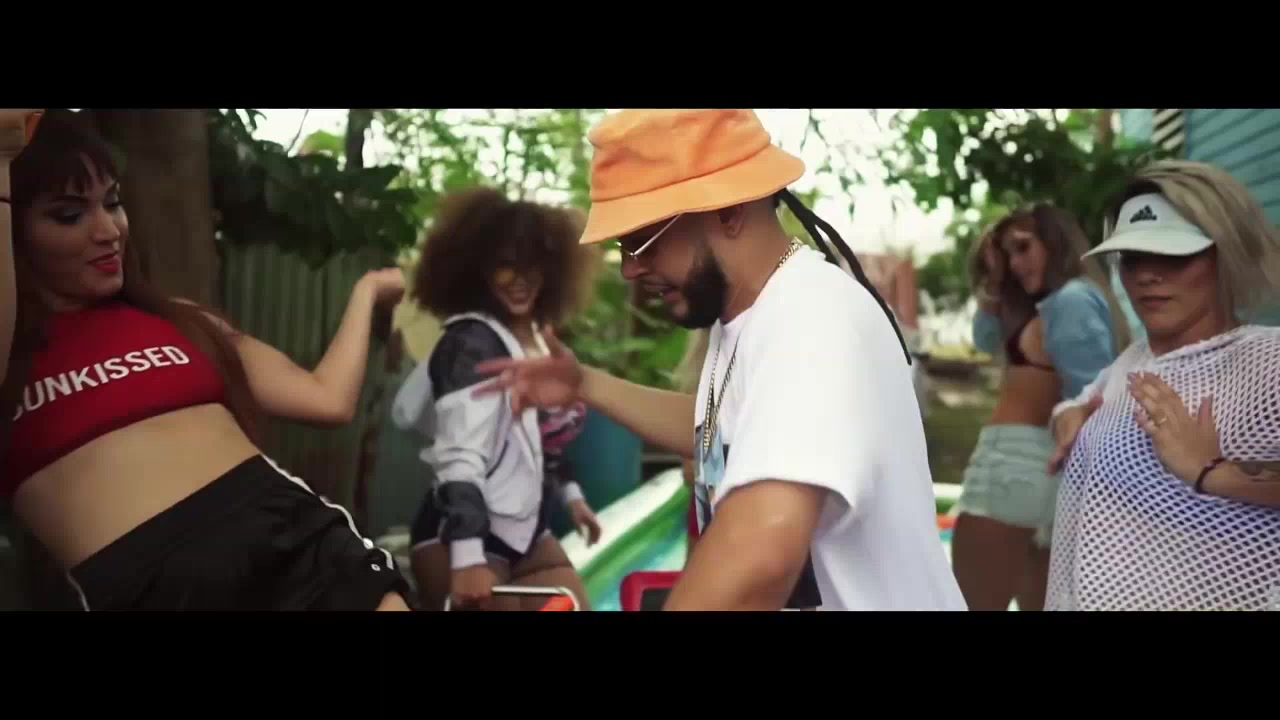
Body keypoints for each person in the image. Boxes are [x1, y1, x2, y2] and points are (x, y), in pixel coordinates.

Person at [474, 109, 965, 611]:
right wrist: (585, 384)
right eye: (623, 246)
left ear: (729, 211)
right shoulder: (752, 318)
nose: (629, 269)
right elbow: (721, 428)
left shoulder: (811, 318)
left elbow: (760, 550)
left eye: (642, 241)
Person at [0, 109, 411, 611]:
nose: (108, 230)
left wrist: (367, 291)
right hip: (160, 584)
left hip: (295, 538)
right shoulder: (10, 359)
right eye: (69, 215)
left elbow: (328, 399)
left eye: (113, 203)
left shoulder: (179, 320)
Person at [1046, 160, 1280, 611]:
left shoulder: (1267, 360)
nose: (1147, 275)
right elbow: (1079, 403)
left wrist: (1213, 471)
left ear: (1225, 254)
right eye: (1133, 257)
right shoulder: (1132, 361)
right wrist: (1069, 418)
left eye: (1174, 256)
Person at [390, 186, 603, 611]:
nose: (520, 279)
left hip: (525, 530)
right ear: (477, 270)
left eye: (531, 265)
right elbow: (459, 454)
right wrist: (468, 554)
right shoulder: (470, 342)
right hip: (459, 535)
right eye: (505, 265)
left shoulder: (534, 340)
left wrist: (572, 497)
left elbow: (539, 441)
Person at [953, 206, 1129, 611]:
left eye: (1023, 248)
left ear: (1055, 242)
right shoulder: (1056, 302)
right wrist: (995, 278)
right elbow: (984, 339)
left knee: (966, 603)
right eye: (1007, 254)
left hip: (1014, 463)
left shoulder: (1071, 300)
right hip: (1038, 468)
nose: (1015, 264)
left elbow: (1092, 394)